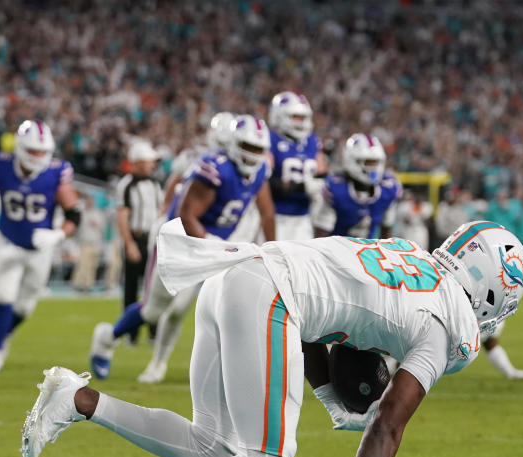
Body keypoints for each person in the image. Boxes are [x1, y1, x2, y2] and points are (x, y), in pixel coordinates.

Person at [20, 219, 523, 457]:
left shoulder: (408, 252)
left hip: (234, 277)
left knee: (213, 446)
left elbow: (324, 309)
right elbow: (389, 423)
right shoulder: (450, 325)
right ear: (490, 290)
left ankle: (78, 399)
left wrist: (330, 396)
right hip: (269, 291)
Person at [90, 114, 276, 383]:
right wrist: (212, 244)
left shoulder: (259, 171)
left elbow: (267, 212)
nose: (253, 155)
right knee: (154, 309)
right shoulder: (213, 168)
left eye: (258, 149)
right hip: (180, 241)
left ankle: (159, 363)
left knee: (180, 310)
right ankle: (107, 337)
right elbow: (186, 215)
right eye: (247, 147)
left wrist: (271, 248)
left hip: (213, 245)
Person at [0, 119, 81, 372]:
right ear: (19, 148)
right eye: (33, 151)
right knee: (3, 296)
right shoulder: (1, 166)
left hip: (40, 248)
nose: (38, 157)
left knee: (25, 308)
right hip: (7, 240)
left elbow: (74, 215)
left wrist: (58, 235)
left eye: (43, 151)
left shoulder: (56, 172)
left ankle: (3, 334)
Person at [114, 140, 163, 344]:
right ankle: (130, 334)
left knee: (154, 287)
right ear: (138, 162)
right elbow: (122, 216)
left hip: (154, 239)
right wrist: (129, 243)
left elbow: (161, 210)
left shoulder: (154, 183)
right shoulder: (126, 184)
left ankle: (154, 332)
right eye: (149, 161)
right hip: (136, 237)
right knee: (131, 288)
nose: (153, 164)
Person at [312, 134, 401, 239]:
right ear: (352, 160)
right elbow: (321, 237)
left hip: (367, 252)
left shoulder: (388, 189)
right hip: (337, 251)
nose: (372, 168)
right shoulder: (336, 190)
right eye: (367, 162)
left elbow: (387, 235)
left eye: (375, 163)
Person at [267, 92, 327, 240]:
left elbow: (322, 172)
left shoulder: (312, 141)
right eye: (296, 117)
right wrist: (301, 187)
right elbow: (263, 182)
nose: (301, 122)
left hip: (303, 218)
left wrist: (319, 184)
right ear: (279, 116)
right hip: (274, 215)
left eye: (304, 117)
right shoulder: (270, 140)